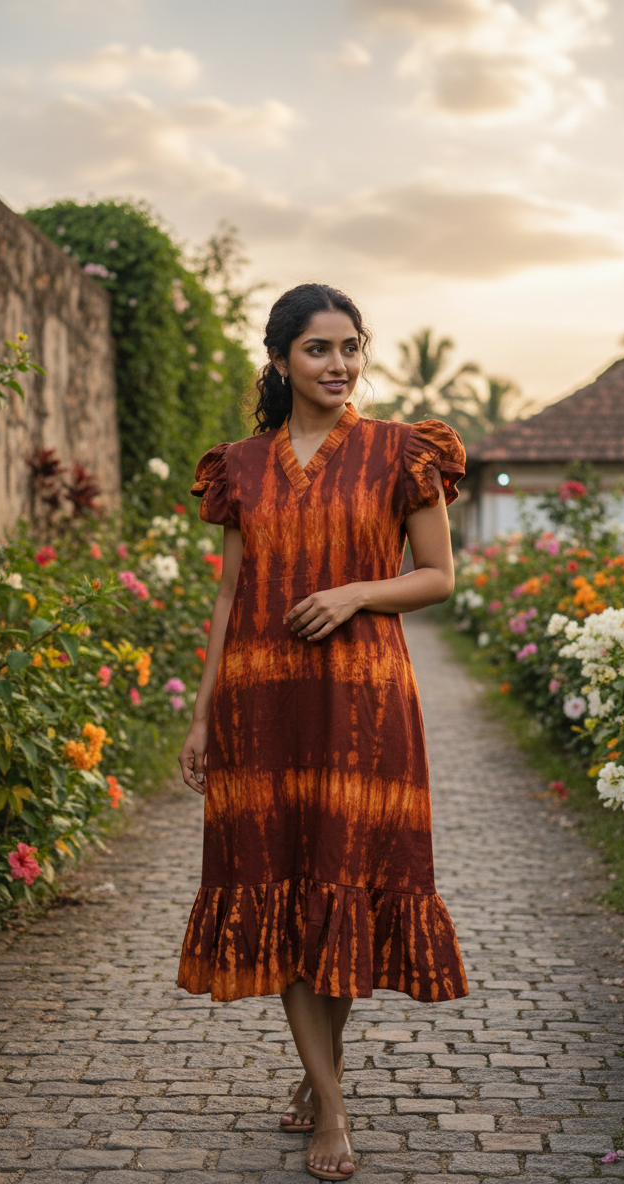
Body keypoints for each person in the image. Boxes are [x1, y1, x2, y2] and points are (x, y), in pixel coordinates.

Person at [178, 283, 469, 1181]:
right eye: (318, 349)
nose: (338, 365)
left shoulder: (399, 454)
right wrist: (201, 713)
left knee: (340, 885)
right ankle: (330, 1099)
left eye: (350, 347)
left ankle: (323, 1091)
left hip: (364, 702)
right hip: (263, 702)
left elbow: (438, 577)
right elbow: (230, 593)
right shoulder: (240, 464)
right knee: (284, 879)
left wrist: (354, 593)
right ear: (279, 361)